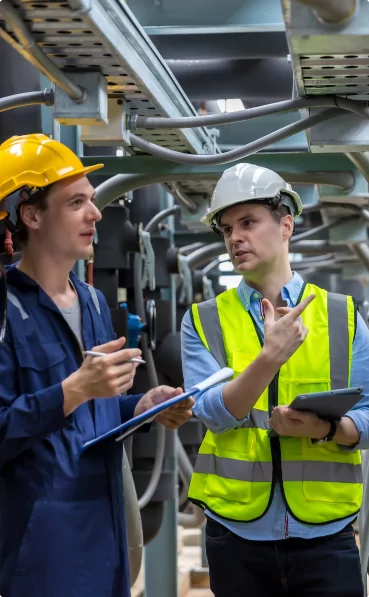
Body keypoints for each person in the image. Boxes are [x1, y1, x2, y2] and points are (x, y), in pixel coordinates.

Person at [0, 133, 194, 597]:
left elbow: (92, 412)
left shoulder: (90, 300)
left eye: (92, 200)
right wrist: (73, 391)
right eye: (76, 203)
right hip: (40, 550)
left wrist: (141, 406)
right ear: (31, 215)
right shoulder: (5, 310)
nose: (95, 213)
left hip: (103, 535)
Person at [181, 163, 369, 597]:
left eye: (248, 222)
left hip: (326, 531)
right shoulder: (204, 319)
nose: (235, 238)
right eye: (227, 228)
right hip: (236, 533)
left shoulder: (340, 314)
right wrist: (270, 358)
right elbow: (211, 413)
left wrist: (327, 429)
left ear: (286, 225)